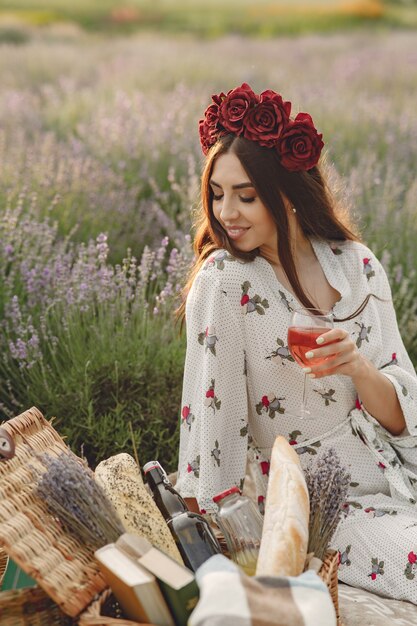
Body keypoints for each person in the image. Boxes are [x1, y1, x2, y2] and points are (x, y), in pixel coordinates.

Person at [175, 83, 417, 603]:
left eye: (246, 195)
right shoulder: (226, 280)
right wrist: (221, 534)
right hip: (317, 502)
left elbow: (402, 415)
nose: (226, 213)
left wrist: (359, 369)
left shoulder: (357, 263)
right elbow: (214, 417)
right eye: (216, 194)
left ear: (286, 192)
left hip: (393, 473)